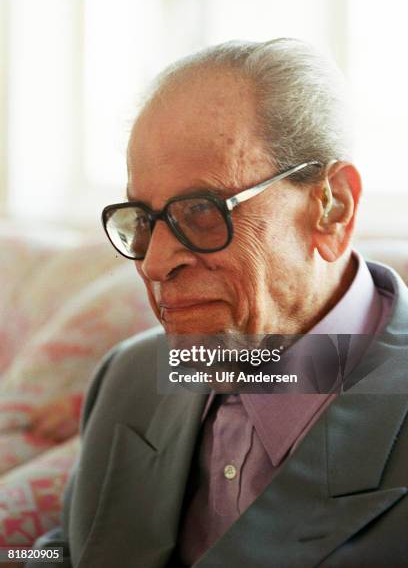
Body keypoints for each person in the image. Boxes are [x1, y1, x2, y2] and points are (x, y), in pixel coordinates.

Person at [27, 39, 408, 568]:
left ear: (331, 208)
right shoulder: (131, 376)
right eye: (142, 218)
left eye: (202, 211)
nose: (155, 264)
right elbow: (63, 553)